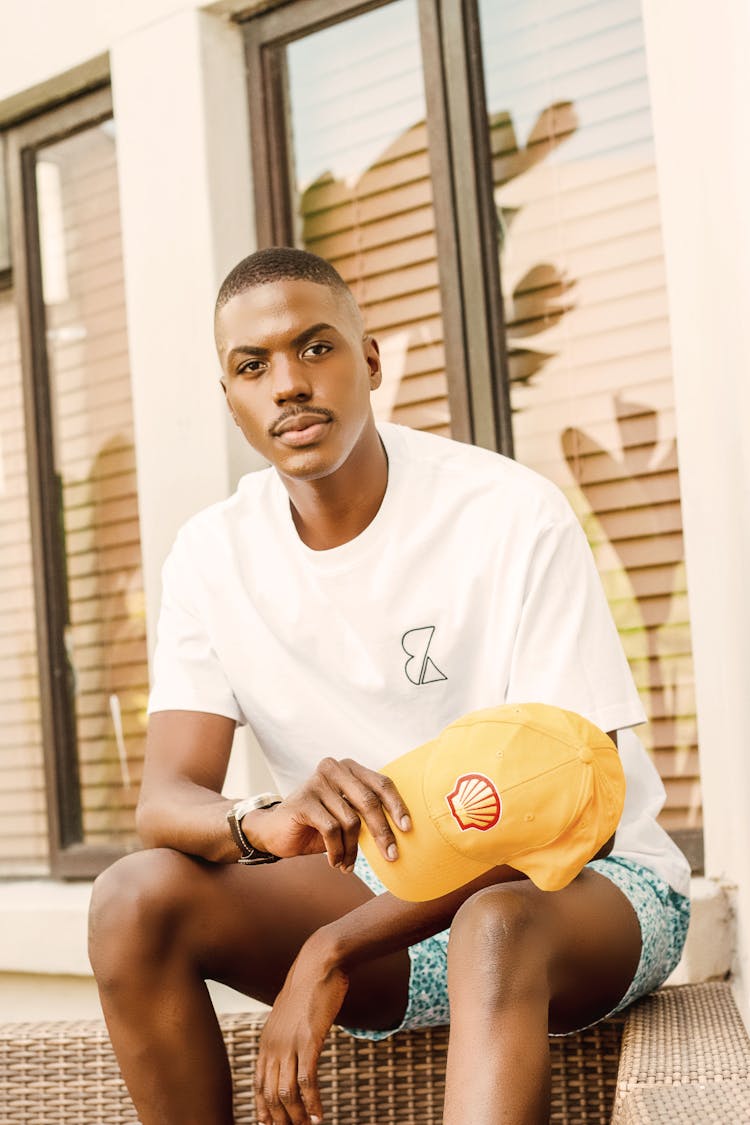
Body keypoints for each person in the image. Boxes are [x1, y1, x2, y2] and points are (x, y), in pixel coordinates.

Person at [88, 247, 690, 1125]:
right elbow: (165, 799)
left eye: (315, 347)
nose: (287, 383)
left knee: (495, 922)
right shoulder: (213, 555)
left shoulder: (505, 511)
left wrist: (330, 948)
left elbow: (566, 806)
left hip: (583, 886)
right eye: (253, 366)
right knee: (133, 899)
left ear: (370, 362)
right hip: (381, 887)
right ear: (231, 398)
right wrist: (264, 820)